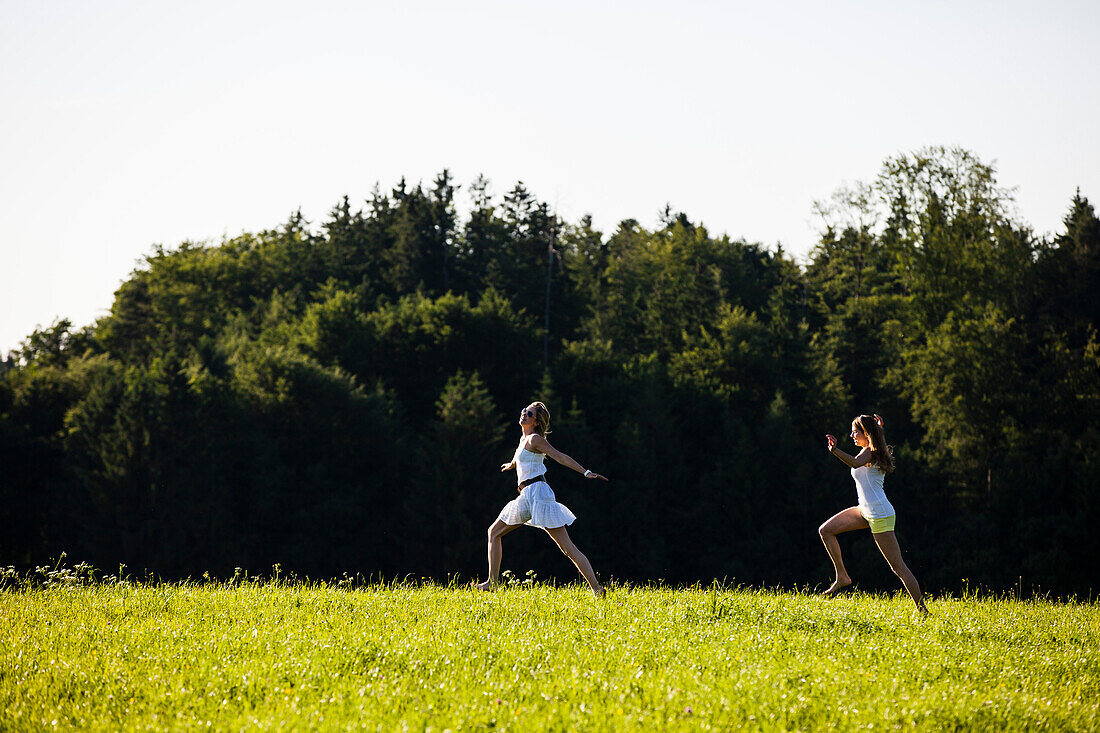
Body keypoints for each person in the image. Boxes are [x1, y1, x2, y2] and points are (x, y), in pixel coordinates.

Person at [474, 401, 608, 596]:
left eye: (528, 413)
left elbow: (559, 456)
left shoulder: (535, 439)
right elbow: (521, 457)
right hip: (527, 495)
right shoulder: (523, 439)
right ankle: (492, 582)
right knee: (493, 532)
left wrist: (585, 472)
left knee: (568, 549)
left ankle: (597, 589)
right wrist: (512, 465)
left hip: (538, 494)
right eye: (523, 411)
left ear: (536, 421)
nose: (524, 414)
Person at [819, 413, 928, 613]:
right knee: (826, 530)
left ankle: (922, 610)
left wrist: (834, 450)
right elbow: (870, 447)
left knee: (898, 568)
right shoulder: (874, 449)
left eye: (854, 432)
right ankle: (842, 577)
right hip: (865, 510)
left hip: (879, 514)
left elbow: (854, 463)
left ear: (866, 434)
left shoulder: (869, 452)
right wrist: (879, 429)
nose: (851, 436)